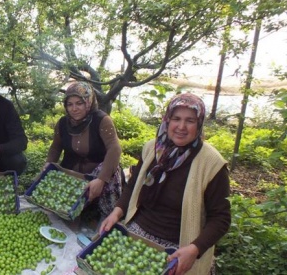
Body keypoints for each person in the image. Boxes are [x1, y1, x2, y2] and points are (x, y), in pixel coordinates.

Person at [99, 93, 231, 275]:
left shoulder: (211, 164)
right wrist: (117, 211)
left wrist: (194, 249)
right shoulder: (153, 149)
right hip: (140, 231)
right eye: (176, 118)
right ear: (167, 120)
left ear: (199, 124)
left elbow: (221, 218)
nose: (181, 127)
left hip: (180, 246)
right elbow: (133, 185)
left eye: (190, 120)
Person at [44, 81, 123, 222]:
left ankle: (104, 215)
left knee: (111, 171)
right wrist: (48, 164)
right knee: (61, 209)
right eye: (70, 104)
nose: (74, 108)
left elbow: (114, 148)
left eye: (79, 103)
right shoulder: (63, 123)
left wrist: (101, 179)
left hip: (96, 173)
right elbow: (56, 147)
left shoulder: (101, 120)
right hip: (72, 172)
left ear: (88, 102)